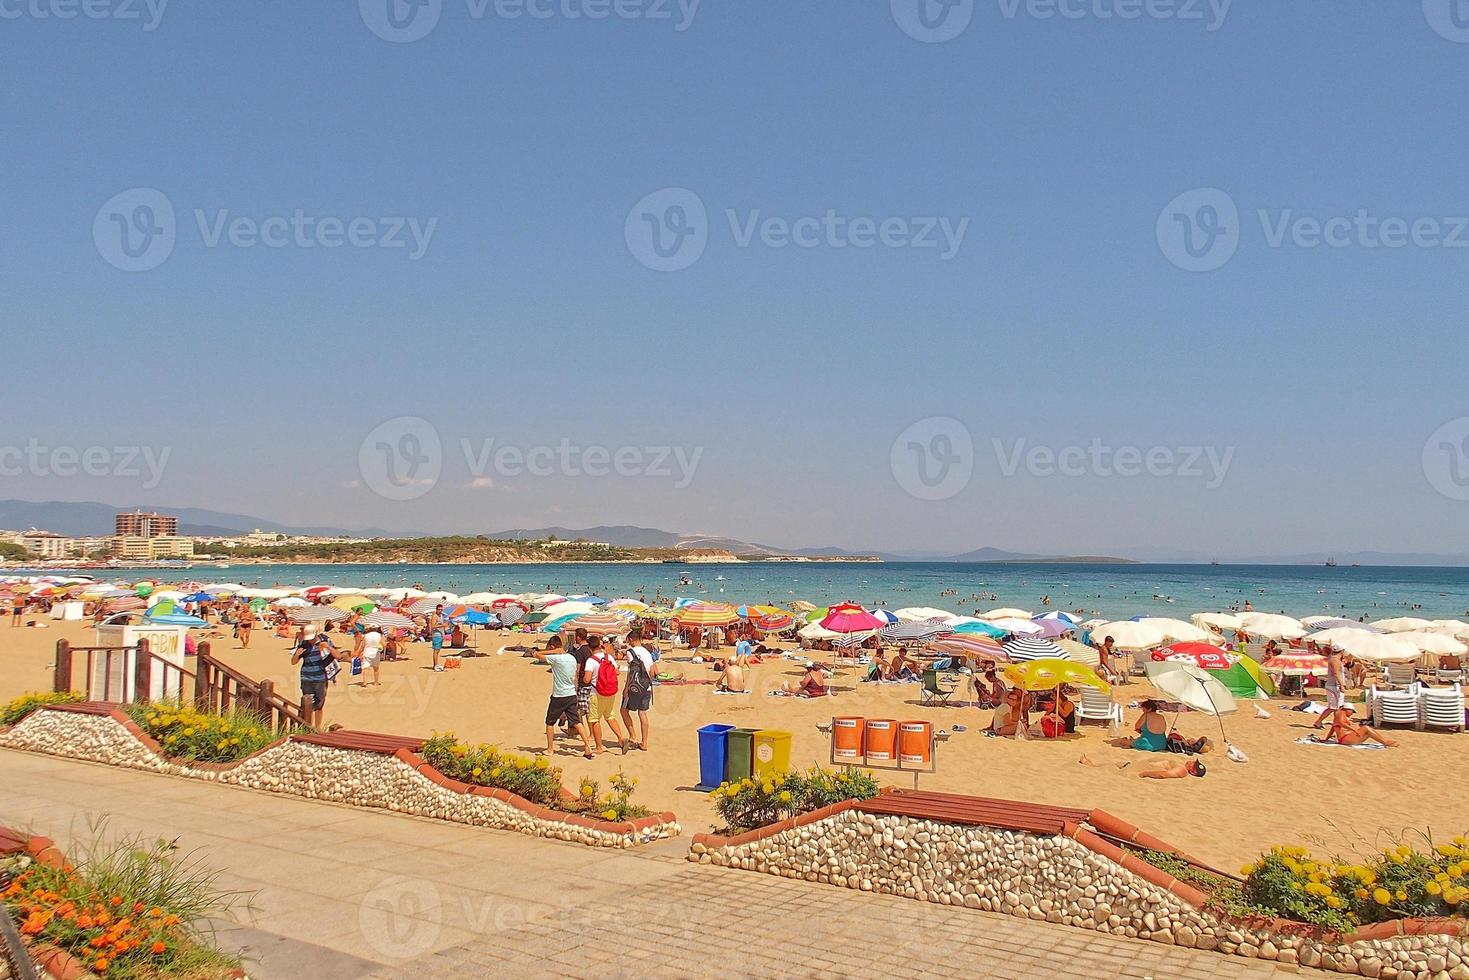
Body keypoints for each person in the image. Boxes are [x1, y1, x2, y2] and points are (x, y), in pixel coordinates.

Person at [533, 637, 594, 758]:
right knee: (576, 721)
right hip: (571, 694)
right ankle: (587, 746)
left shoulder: (556, 658)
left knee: (549, 722)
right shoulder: (571, 657)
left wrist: (553, 652)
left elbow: (536, 654)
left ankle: (550, 749)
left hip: (559, 695)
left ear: (551, 646)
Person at [582, 635, 631, 754]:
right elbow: (617, 672)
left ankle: (599, 747)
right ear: (600, 645)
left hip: (596, 693)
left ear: (589, 648)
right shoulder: (608, 657)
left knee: (594, 720)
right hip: (610, 691)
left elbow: (587, 680)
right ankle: (620, 738)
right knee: (610, 716)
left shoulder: (591, 660)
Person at [291, 625, 338, 729]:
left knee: (319, 705)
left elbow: (338, 656)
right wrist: (297, 655)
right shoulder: (303, 644)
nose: (310, 641)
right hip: (306, 678)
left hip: (320, 678)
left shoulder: (325, 641)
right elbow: (293, 662)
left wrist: (328, 647)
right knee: (307, 704)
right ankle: (307, 727)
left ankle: (317, 728)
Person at [620, 628, 655, 751]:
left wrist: (625, 689)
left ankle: (633, 736)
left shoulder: (630, 652)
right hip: (647, 686)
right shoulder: (647, 652)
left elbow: (631, 672)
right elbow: (652, 672)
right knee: (642, 713)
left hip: (634, 687)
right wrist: (647, 683)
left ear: (630, 639)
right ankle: (644, 742)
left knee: (624, 710)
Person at [1313, 706, 1398, 747]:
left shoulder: (1338, 717)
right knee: (1366, 728)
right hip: (1345, 739)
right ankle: (1384, 742)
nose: (1352, 713)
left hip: (1344, 739)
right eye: (1352, 712)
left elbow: (1332, 729)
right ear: (1347, 710)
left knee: (1366, 730)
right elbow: (1342, 724)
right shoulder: (1341, 714)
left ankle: (1384, 741)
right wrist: (1354, 730)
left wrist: (1326, 739)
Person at [1312, 645, 1348, 725]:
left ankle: (1337, 723)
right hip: (1334, 686)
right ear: (1342, 651)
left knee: (1337, 707)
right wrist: (1342, 685)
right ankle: (1318, 722)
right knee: (1333, 707)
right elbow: (1336, 673)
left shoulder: (1334, 659)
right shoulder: (1335, 660)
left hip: (1333, 685)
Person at [1139, 758, 1206, 779]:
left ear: (1192, 771)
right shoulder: (1183, 768)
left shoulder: (1182, 770)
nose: (1193, 761)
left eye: (1194, 763)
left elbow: (1164, 775)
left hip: (1145, 768)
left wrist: (1145, 773)